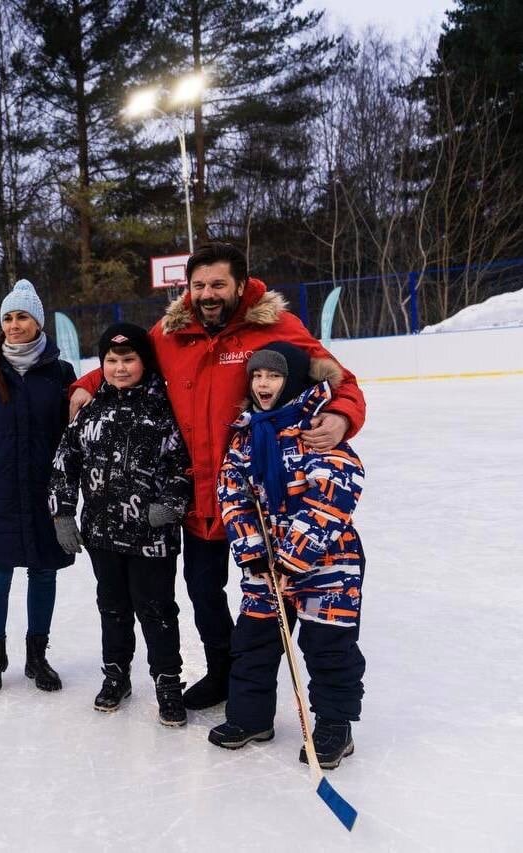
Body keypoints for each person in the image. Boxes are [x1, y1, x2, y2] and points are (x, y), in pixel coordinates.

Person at [69, 243, 366, 710]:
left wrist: (343, 416)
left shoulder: (275, 327)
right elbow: (125, 358)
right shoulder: (171, 331)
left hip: (258, 494)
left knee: (267, 590)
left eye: (218, 285)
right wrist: (87, 386)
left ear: (241, 285)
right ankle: (223, 670)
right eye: (199, 285)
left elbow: (338, 377)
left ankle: (276, 684)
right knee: (203, 589)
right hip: (200, 495)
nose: (207, 294)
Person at [209, 342, 365, 769]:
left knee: (327, 648)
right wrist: (257, 557)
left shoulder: (317, 428)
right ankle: (250, 717)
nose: (263, 384)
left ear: (293, 379)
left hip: (328, 566)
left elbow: (334, 498)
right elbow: (234, 496)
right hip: (265, 562)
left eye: (273, 376)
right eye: (257, 376)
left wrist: (290, 561)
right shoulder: (246, 433)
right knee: (254, 641)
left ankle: (335, 725)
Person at [49, 323, 192, 725]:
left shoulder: (166, 408)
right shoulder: (91, 409)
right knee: (112, 607)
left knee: (157, 609)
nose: (120, 368)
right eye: (112, 360)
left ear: (144, 361)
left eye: (129, 359)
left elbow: (186, 463)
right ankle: (116, 674)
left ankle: (167, 681)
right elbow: (65, 461)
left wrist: (171, 504)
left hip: (152, 536)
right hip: (101, 531)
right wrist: (62, 512)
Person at [0, 279, 77, 695]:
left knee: (44, 573)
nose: (13, 324)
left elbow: (72, 430)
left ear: (38, 322)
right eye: (7, 317)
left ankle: (37, 655)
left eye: (22, 316)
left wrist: (65, 478)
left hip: (45, 491)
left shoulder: (59, 372)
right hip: (0, 491)